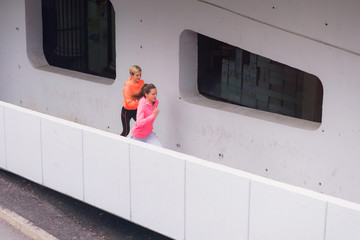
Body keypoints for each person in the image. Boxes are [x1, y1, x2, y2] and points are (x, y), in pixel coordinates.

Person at [121, 65, 144, 136]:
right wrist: (139, 100)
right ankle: (119, 144)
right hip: (127, 111)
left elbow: (144, 95)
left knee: (143, 126)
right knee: (126, 131)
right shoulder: (127, 86)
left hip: (136, 110)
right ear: (131, 75)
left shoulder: (141, 83)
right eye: (137, 75)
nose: (139, 77)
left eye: (140, 75)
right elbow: (129, 103)